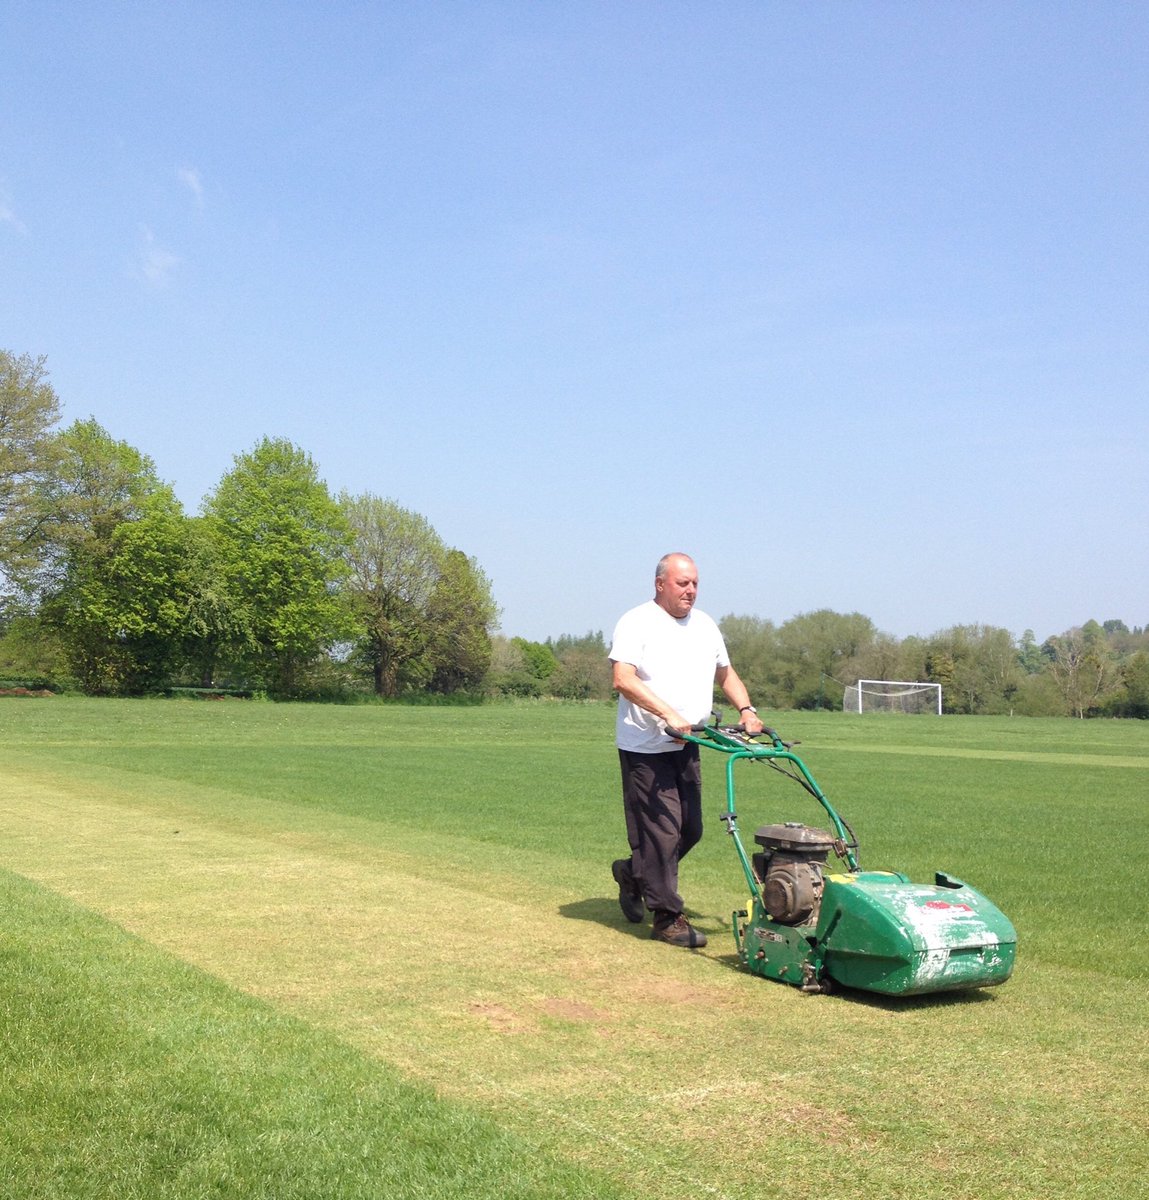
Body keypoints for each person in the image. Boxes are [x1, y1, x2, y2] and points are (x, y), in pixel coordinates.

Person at [608, 552, 763, 948]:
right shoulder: (636, 621)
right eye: (682, 583)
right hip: (646, 746)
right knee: (662, 832)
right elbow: (622, 679)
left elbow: (725, 674)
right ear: (660, 584)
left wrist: (747, 710)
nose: (691, 590)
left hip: (689, 743)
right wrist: (668, 714)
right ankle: (666, 916)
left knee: (690, 829)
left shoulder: (706, 626)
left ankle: (633, 874)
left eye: (695, 583)